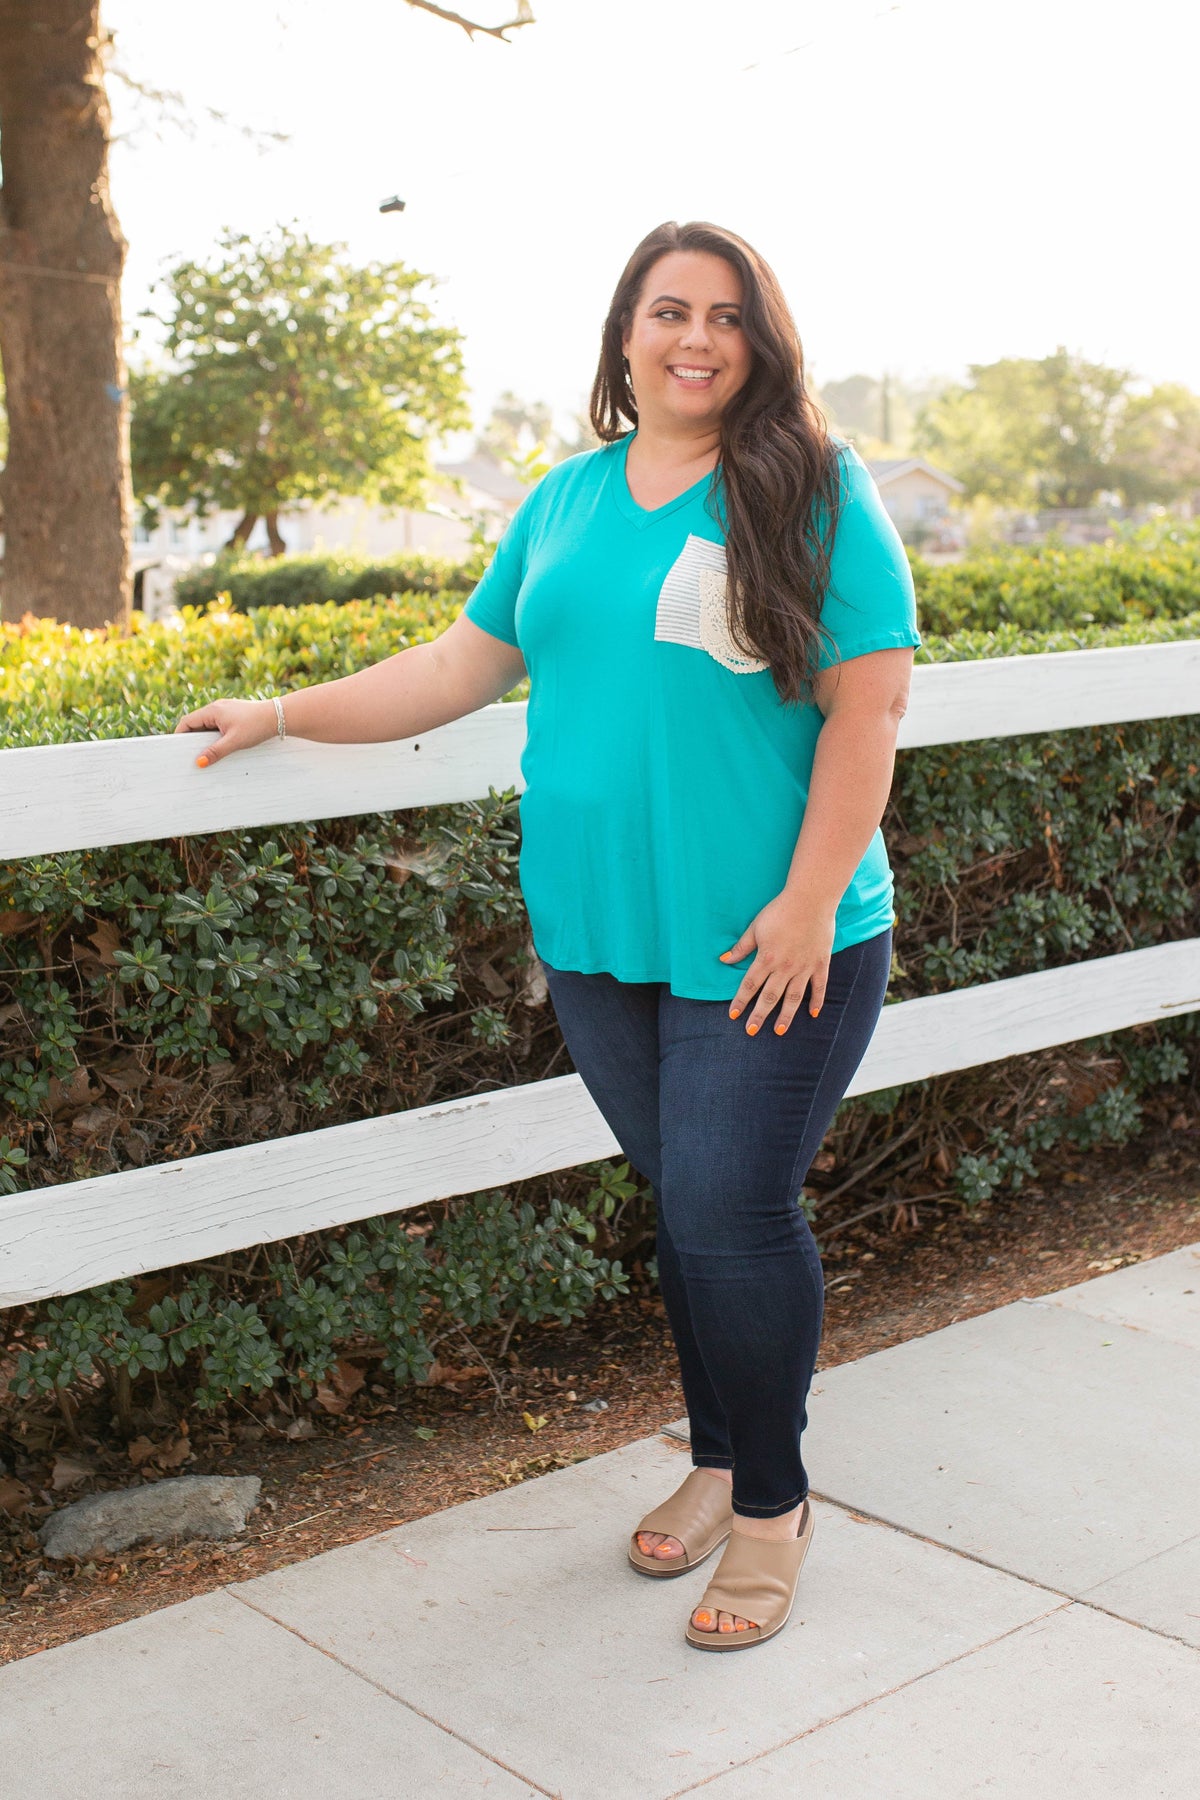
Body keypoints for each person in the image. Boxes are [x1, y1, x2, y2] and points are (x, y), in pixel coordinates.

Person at [176, 218, 920, 1653]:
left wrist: (811, 901)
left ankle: (769, 1506)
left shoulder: (815, 485)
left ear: (762, 341)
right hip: (598, 937)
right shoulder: (568, 497)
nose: (696, 338)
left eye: (726, 315)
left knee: (728, 1212)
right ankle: (715, 1458)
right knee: (688, 1213)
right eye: (668, 311)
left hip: (774, 943)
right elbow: (463, 664)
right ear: (624, 335)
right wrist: (279, 714)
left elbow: (868, 708)